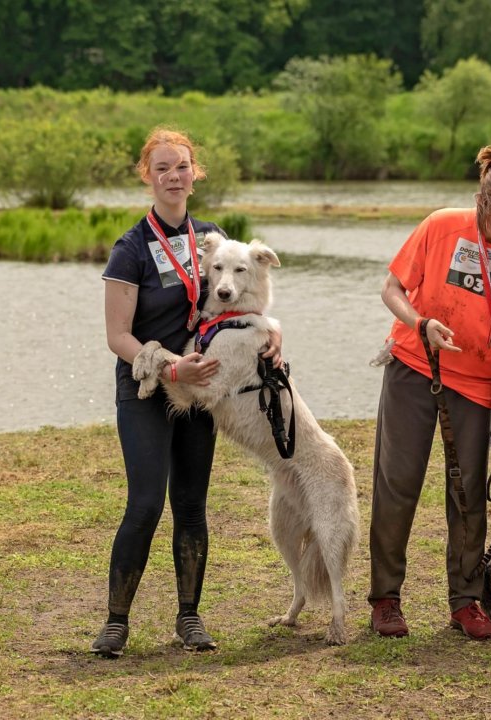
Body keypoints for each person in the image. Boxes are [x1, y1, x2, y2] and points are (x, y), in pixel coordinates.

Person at [369, 142, 491, 641]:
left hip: (476, 386)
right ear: (482, 205)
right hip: (416, 366)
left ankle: (464, 600)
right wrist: (421, 323)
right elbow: (391, 289)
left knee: (467, 496)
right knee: (398, 485)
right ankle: (386, 598)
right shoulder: (441, 226)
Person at [91, 127, 280, 657]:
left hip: (204, 391)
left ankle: (190, 619)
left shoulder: (213, 241)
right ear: (147, 177)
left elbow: (244, 300)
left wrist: (273, 331)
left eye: (182, 167)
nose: (174, 176)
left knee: (192, 507)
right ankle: (115, 622)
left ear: (195, 174)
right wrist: (173, 370)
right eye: (163, 168)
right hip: (151, 388)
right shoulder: (130, 250)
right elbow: (117, 337)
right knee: (146, 503)